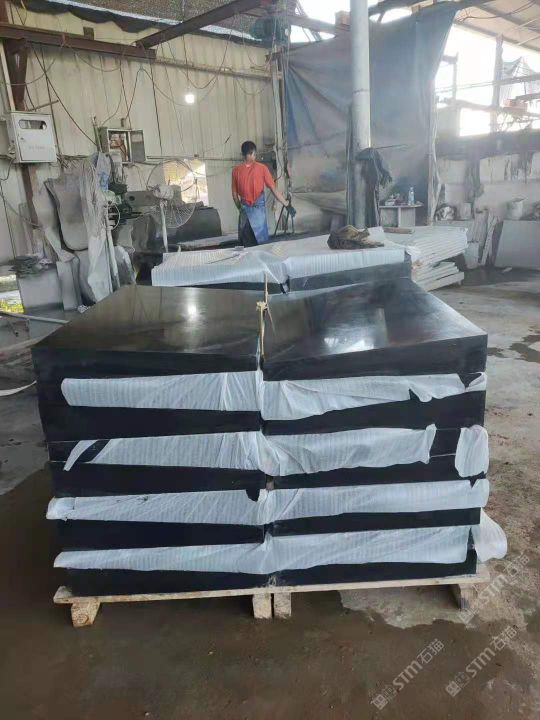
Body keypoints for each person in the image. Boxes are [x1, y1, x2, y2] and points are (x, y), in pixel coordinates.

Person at [232, 140, 291, 247]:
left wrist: (241, 209)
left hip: (244, 217)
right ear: (251, 154)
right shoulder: (262, 168)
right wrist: (286, 204)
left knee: (245, 249)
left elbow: (235, 196)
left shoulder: (236, 171)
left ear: (243, 154)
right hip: (258, 218)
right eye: (254, 154)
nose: (255, 156)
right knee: (261, 248)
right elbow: (273, 189)